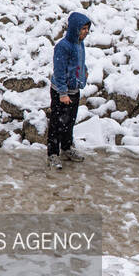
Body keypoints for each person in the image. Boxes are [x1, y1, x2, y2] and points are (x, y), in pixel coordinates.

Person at [47, 11, 91, 169]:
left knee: (69, 122)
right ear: (74, 29)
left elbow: (79, 63)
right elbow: (59, 72)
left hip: (74, 90)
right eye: (83, 28)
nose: (85, 32)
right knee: (57, 124)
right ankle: (52, 154)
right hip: (61, 91)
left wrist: (84, 74)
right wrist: (63, 93)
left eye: (87, 28)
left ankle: (66, 149)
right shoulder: (63, 47)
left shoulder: (80, 44)